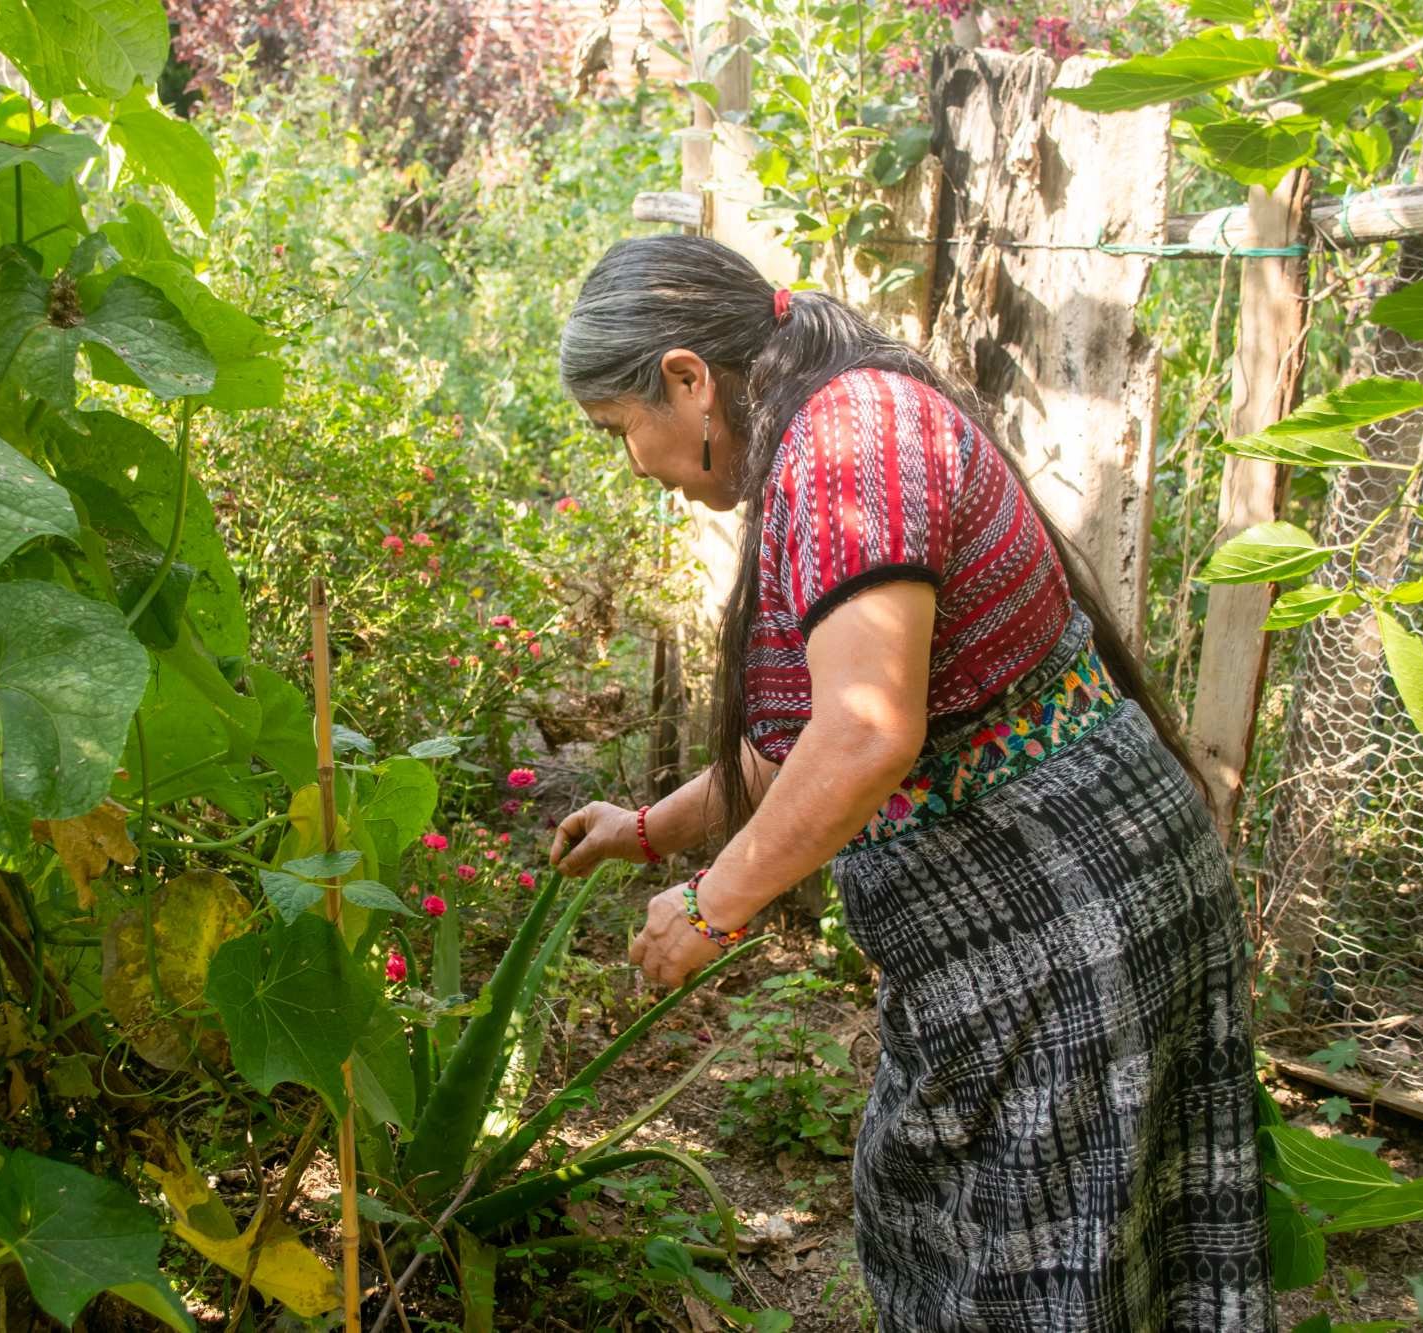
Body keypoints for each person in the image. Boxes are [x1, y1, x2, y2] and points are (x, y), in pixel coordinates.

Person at [546, 234, 1275, 1332]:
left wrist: (711, 906)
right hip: (1022, 932)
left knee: (1043, 1274)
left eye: (619, 432)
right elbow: (799, 744)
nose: (635, 467)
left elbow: (865, 731)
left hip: (1068, 921)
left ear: (687, 378)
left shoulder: (850, 443)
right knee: (948, 1233)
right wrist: (646, 829)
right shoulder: (816, 439)